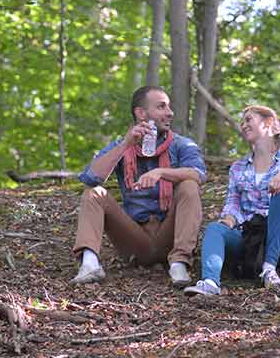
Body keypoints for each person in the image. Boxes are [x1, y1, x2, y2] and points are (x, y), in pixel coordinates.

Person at [71, 86, 205, 287]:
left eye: (168, 107)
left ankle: (179, 263)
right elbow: (91, 177)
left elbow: (198, 174)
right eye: (161, 107)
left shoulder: (180, 144)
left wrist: (161, 173)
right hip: (134, 238)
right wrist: (126, 144)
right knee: (94, 193)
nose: (170, 112)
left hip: (169, 234)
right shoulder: (122, 144)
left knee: (189, 185)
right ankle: (89, 264)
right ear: (141, 113)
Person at [184, 105, 280, 296]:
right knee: (215, 229)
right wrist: (227, 222)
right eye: (242, 121)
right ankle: (210, 282)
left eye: (248, 119)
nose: (243, 125)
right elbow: (233, 205)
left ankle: (269, 268)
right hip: (252, 240)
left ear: (268, 124)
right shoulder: (237, 167)